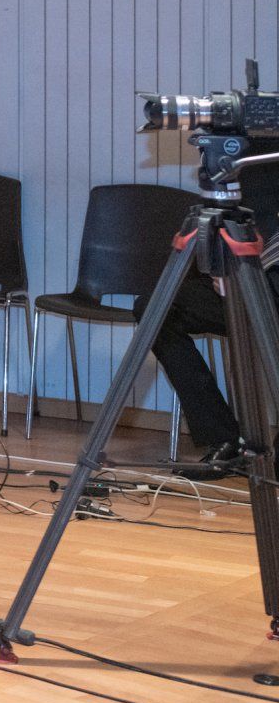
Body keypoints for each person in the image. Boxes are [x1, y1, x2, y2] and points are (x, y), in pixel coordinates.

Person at [136, 148, 279, 477]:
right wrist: (220, 267)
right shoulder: (247, 155)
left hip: (269, 288)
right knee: (157, 309)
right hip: (241, 282)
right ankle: (224, 439)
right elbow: (233, 219)